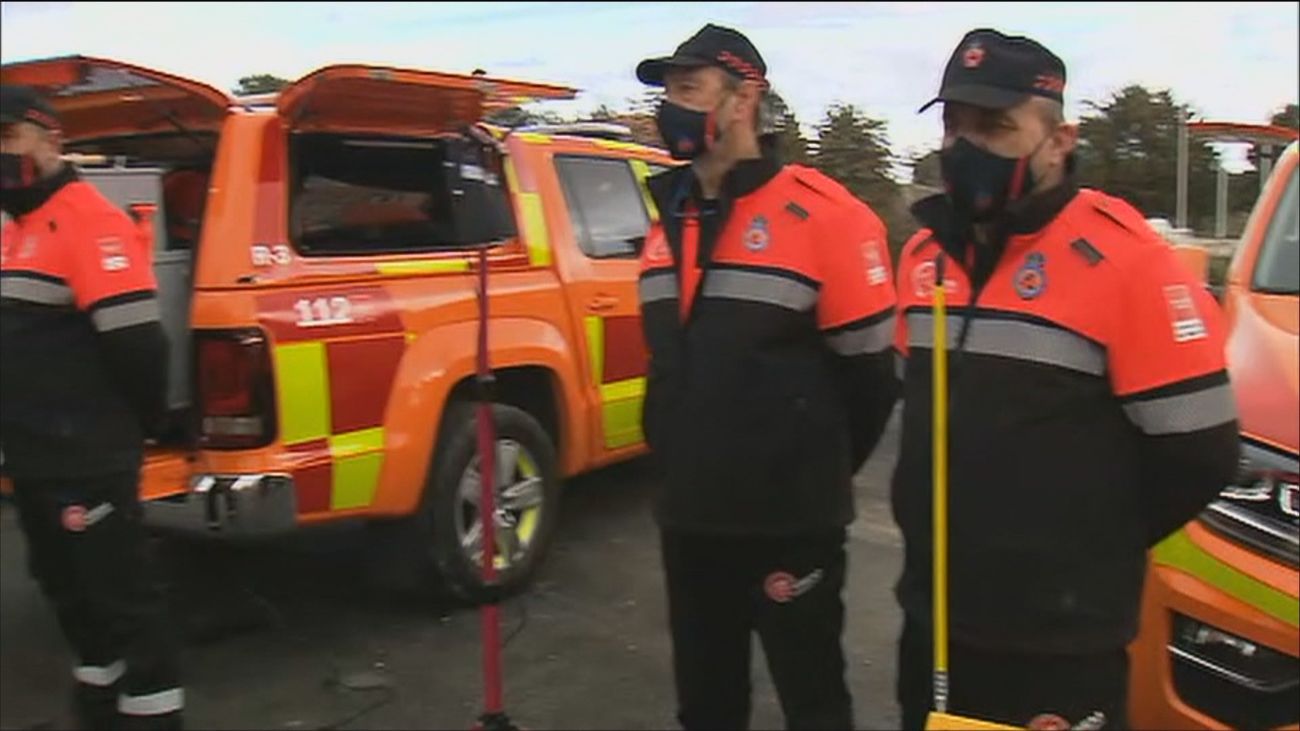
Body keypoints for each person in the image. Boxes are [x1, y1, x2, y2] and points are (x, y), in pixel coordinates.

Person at [889, 29, 1240, 729]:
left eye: (995, 127)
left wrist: (1080, 544)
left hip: (1057, 643)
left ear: (1058, 139)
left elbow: (1200, 454)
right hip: (933, 622)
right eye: (954, 124)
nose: (965, 147)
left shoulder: (1127, 260)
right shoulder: (923, 257)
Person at [634, 24, 901, 730]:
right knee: (705, 703)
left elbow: (872, 379)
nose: (671, 106)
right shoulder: (667, 220)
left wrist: (809, 470)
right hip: (688, 517)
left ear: (743, 98)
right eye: (668, 92)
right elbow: (672, 366)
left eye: (688, 89)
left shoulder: (828, 217)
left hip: (790, 526)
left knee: (812, 699)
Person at [1, 84, 184, 730]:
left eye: (7, 137)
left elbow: (139, 346)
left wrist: (147, 424)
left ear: (52, 139)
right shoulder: (13, 229)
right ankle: (99, 702)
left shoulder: (90, 220)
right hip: (33, 456)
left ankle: (152, 712)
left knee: (122, 597)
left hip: (87, 454)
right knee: (65, 588)